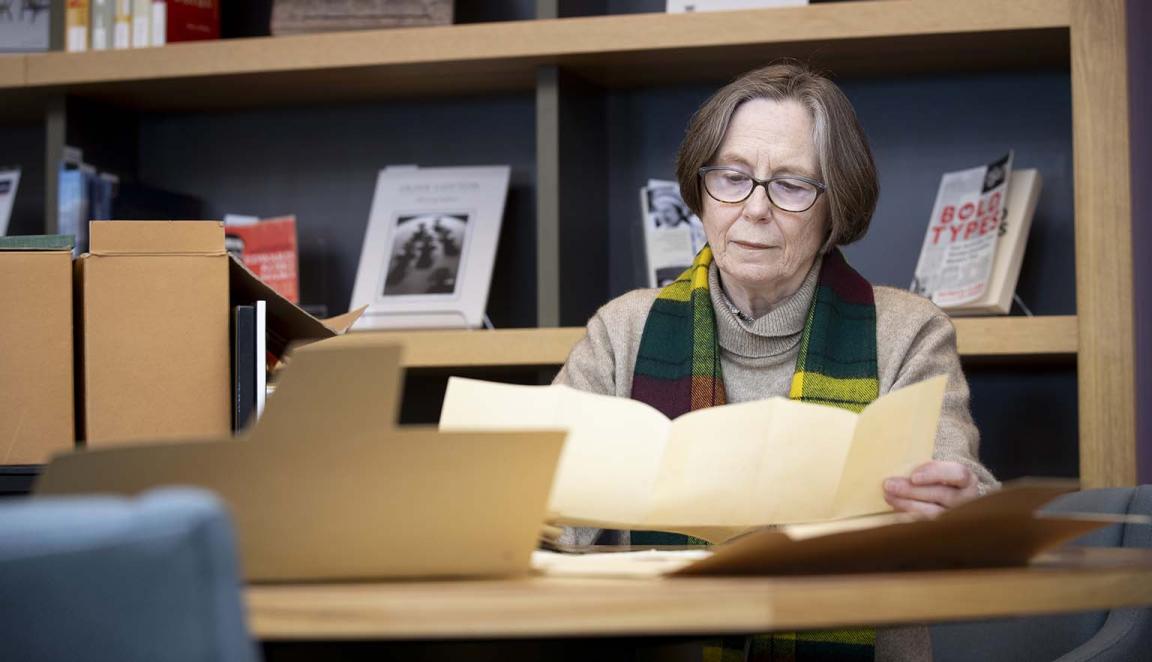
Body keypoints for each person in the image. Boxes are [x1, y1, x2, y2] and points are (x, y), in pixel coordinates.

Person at [554, 62, 999, 661]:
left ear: (834, 208)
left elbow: (967, 500)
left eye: (791, 185)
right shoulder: (622, 330)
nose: (755, 208)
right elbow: (546, 519)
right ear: (701, 190)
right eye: (733, 177)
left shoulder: (908, 331)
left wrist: (960, 509)